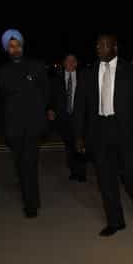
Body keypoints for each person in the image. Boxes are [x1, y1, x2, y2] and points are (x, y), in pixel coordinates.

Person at [74, 34, 133, 236]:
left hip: (125, 130)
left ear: (115, 48)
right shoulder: (88, 73)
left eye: (104, 45)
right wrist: (79, 135)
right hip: (99, 131)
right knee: (105, 179)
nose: (99, 48)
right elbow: (80, 107)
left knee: (130, 174)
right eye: (97, 45)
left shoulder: (132, 71)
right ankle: (115, 221)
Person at [0, 29, 49, 218]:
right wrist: (28, 82)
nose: (15, 49)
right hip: (14, 127)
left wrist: (44, 118)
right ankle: (29, 196)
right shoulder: (2, 72)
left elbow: (44, 93)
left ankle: (31, 204)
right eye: (11, 46)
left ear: (22, 45)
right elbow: (8, 92)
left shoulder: (37, 66)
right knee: (21, 166)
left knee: (30, 164)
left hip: (33, 126)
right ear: (6, 49)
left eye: (17, 45)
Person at [48, 53, 86, 182]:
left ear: (76, 63)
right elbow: (50, 97)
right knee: (69, 145)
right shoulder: (56, 79)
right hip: (64, 117)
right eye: (67, 61)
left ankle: (81, 172)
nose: (70, 63)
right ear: (63, 63)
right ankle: (73, 171)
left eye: (73, 61)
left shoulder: (83, 78)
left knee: (80, 143)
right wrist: (50, 109)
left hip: (79, 117)